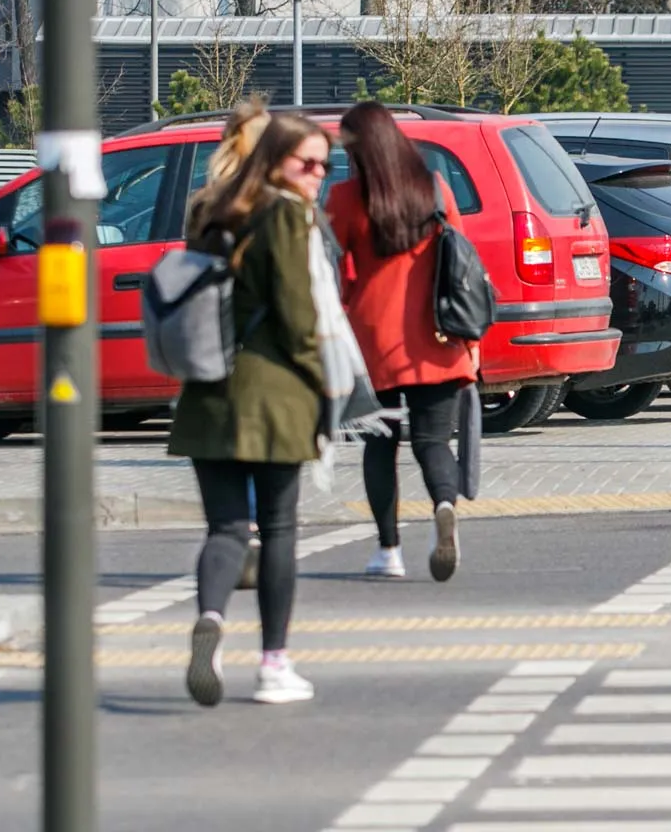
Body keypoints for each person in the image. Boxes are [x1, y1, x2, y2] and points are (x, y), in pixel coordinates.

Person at [171, 112, 333, 707]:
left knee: (227, 528)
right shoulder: (286, 214)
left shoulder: (211, 210)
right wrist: (325, 388)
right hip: (273, 395)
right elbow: (298, 315)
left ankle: (211, 619)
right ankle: (273, 665)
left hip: (207, 392)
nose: (317, 174)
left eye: (324, 164)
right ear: (275, 159)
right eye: (306, 162)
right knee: (281, 529)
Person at [327, 101, 476, 583]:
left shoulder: (347, 198)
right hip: (437, 337)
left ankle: (388, 551)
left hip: (373, 344)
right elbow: (461, 262)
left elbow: (329, 265)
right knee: (434, 443)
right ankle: (444, 506)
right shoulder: (436, 190)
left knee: (379, 446)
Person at [190, 101, 272, 592]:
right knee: (266, 451)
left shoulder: (203, 205)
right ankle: (260, 535)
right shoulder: (276, 206)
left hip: (209, 345)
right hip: (261, 347)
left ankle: (230, 544)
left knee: (225, 454)